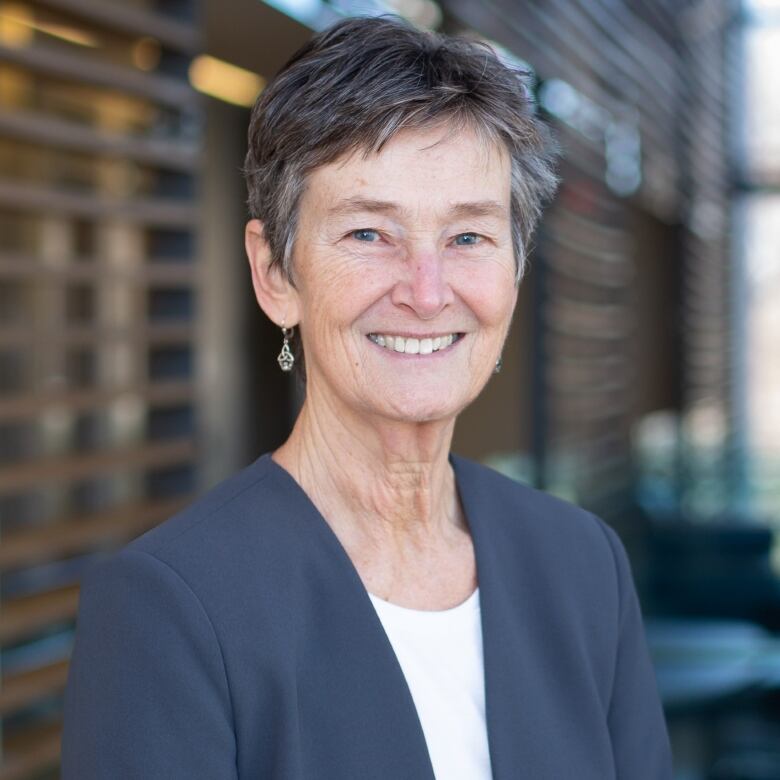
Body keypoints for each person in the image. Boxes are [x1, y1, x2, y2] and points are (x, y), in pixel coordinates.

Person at [61, 15, 673, 779]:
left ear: (515, 273)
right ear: (275, 275)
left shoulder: (583, 564)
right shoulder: (167, 609)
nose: (426, 292)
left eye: (468, 238)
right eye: (367, 234)